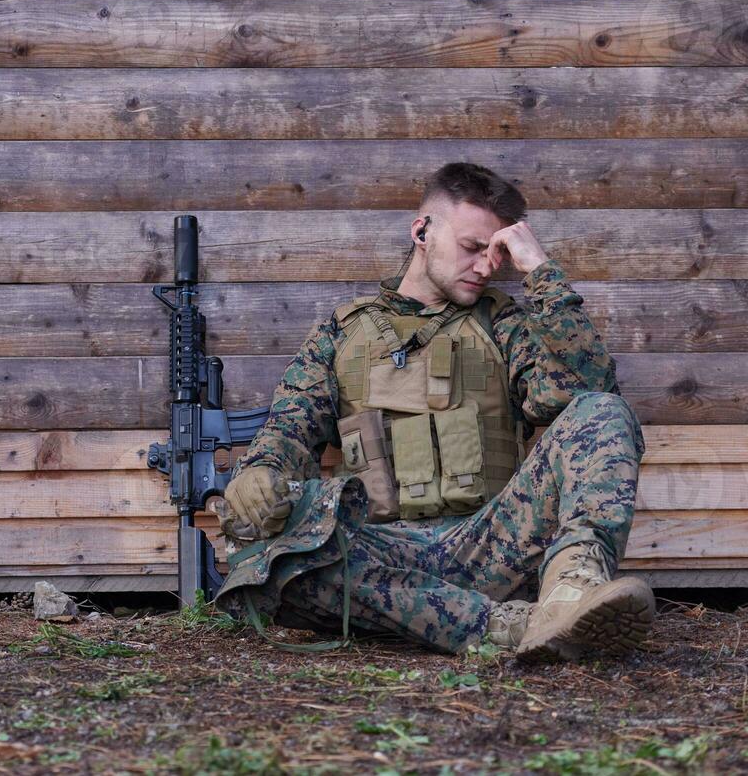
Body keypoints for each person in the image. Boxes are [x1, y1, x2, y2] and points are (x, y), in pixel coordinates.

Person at [211, 162, 654, 663]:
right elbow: (292, 427)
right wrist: (262, 472)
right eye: (471, 248)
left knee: (601, 410)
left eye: (496, 255)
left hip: (493, 545)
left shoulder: (501, 324)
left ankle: (569, 592)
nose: (486, 268)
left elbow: (586, 389)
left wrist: (541, 273)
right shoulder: (339, 335)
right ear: (422, 231)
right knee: (276, 560)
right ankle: (516, 627)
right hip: (381, 558)